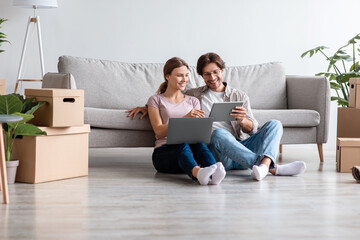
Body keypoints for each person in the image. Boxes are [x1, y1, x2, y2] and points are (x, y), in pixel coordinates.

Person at [127, 53, 306, 181]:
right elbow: (170, 99)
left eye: (215, 72)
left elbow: (253, 131)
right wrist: (146, 107)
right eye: (206, 74)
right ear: (202, 76)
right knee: (219, 134)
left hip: (240, 146)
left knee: (275, 124)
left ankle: (264, 166)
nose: (212, 77)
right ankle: (272, 167)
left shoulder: (239, 96)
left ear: (222, 70)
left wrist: (243, 121)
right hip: (219, 151)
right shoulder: (195, 95)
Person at [145, 57, 226, 185]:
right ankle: (198, 173)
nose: (184, 80)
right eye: (179, 76)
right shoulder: (155, 100)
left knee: (198, 143)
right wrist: (185, 118)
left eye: (187, 75)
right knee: (181, 144)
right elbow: (159, 131)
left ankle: (214, 171)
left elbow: (198, 132)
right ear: (167, 76)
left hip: (189, 154)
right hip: (164, 153)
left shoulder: (193, 101)